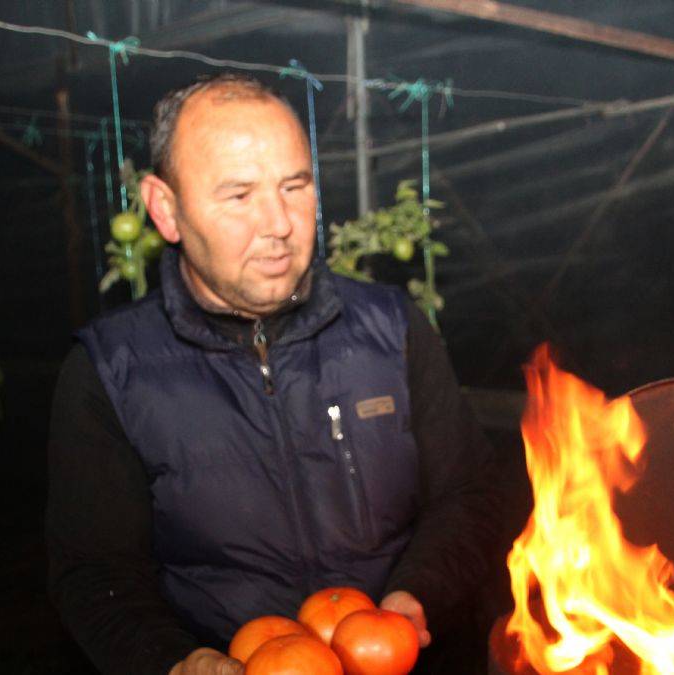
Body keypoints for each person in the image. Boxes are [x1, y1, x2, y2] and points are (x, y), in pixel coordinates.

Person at [46, 73, 503, 675]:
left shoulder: (390, 328)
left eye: (295, 186)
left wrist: (415, 597)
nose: (280, 223)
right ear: (166, 209)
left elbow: (470, 494)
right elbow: (94, 572)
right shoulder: (112, 371)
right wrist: (177, 661)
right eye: (238, 196)